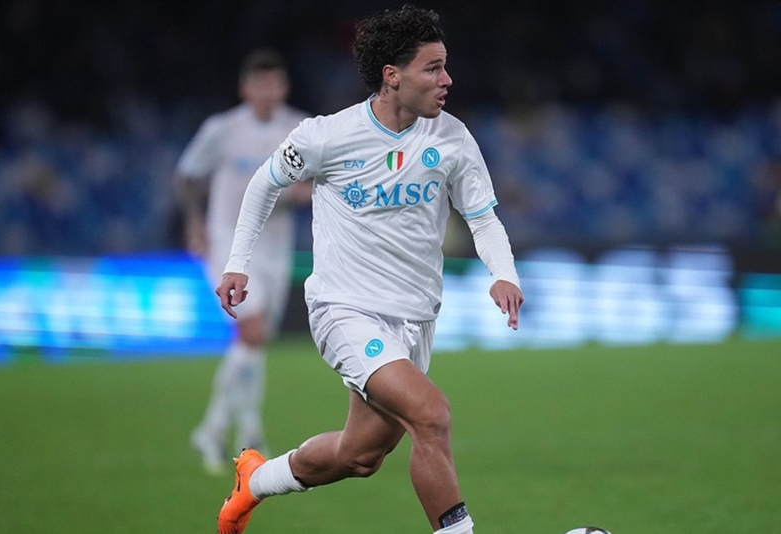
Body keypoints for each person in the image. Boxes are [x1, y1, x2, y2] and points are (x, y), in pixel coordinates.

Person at [215, 6, 524, 534]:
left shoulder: (452, 138)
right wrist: (237, 263)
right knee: (431, 414)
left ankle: (256, 480)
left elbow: (482, 217)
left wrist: (504, 273)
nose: (447, 79)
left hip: (415, 318)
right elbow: (264, 183)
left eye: (445, 66)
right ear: (392, 75)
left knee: (360, 455)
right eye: (432, 68)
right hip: (345, 310)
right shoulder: (327, 136)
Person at [175, 49, 309, 474]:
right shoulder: (223, 130)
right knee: (251, 331)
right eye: (259, 84)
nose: (267, 92)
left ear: (284, 87)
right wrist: (195, 223)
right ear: (245, 88)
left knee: (254, 342)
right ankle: (245, 433)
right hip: (228, 242)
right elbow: (188, 174)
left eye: (274, 83)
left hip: (276, 246)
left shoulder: (300, 129)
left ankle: (216, 430)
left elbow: (316, 180)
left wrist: (304, 191)